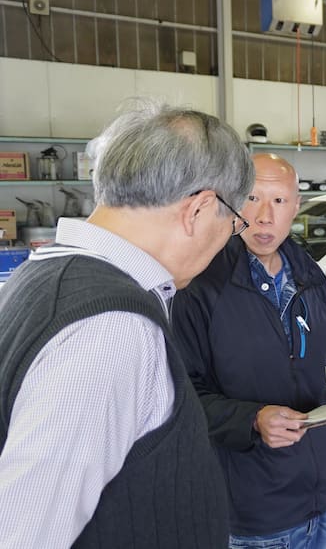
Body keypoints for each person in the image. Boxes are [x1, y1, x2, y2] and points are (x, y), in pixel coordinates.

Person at [0, 100, 255, 548]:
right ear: (198, 210)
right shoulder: (111, 329)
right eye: (232, 223)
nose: (228, 239)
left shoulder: (43, 275)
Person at [171, 153, 326, 548]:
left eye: (280, 201)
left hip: (319, 491)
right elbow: (182, 396)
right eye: (253, 198)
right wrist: (252, 419)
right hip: (256, 507)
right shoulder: (201, 287)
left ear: (296, 208)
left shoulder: (305, 271)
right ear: (233, 201)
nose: (265, 216)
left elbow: (324, 342)